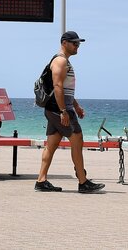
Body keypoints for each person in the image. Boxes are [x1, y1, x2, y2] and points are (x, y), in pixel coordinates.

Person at [34, 31, 105, 193]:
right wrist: (64, 111)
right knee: (77, 139)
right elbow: (58, 87)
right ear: (64, 43)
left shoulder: (63, 61)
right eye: (74, 43)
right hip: (59, 110)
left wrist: (77, 106)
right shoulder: (60, 61)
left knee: (51, 144)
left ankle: (41, 181)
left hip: (55, 109)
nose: (77, 46)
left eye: (78, 44)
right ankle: (83, 181)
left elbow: (65, 90)